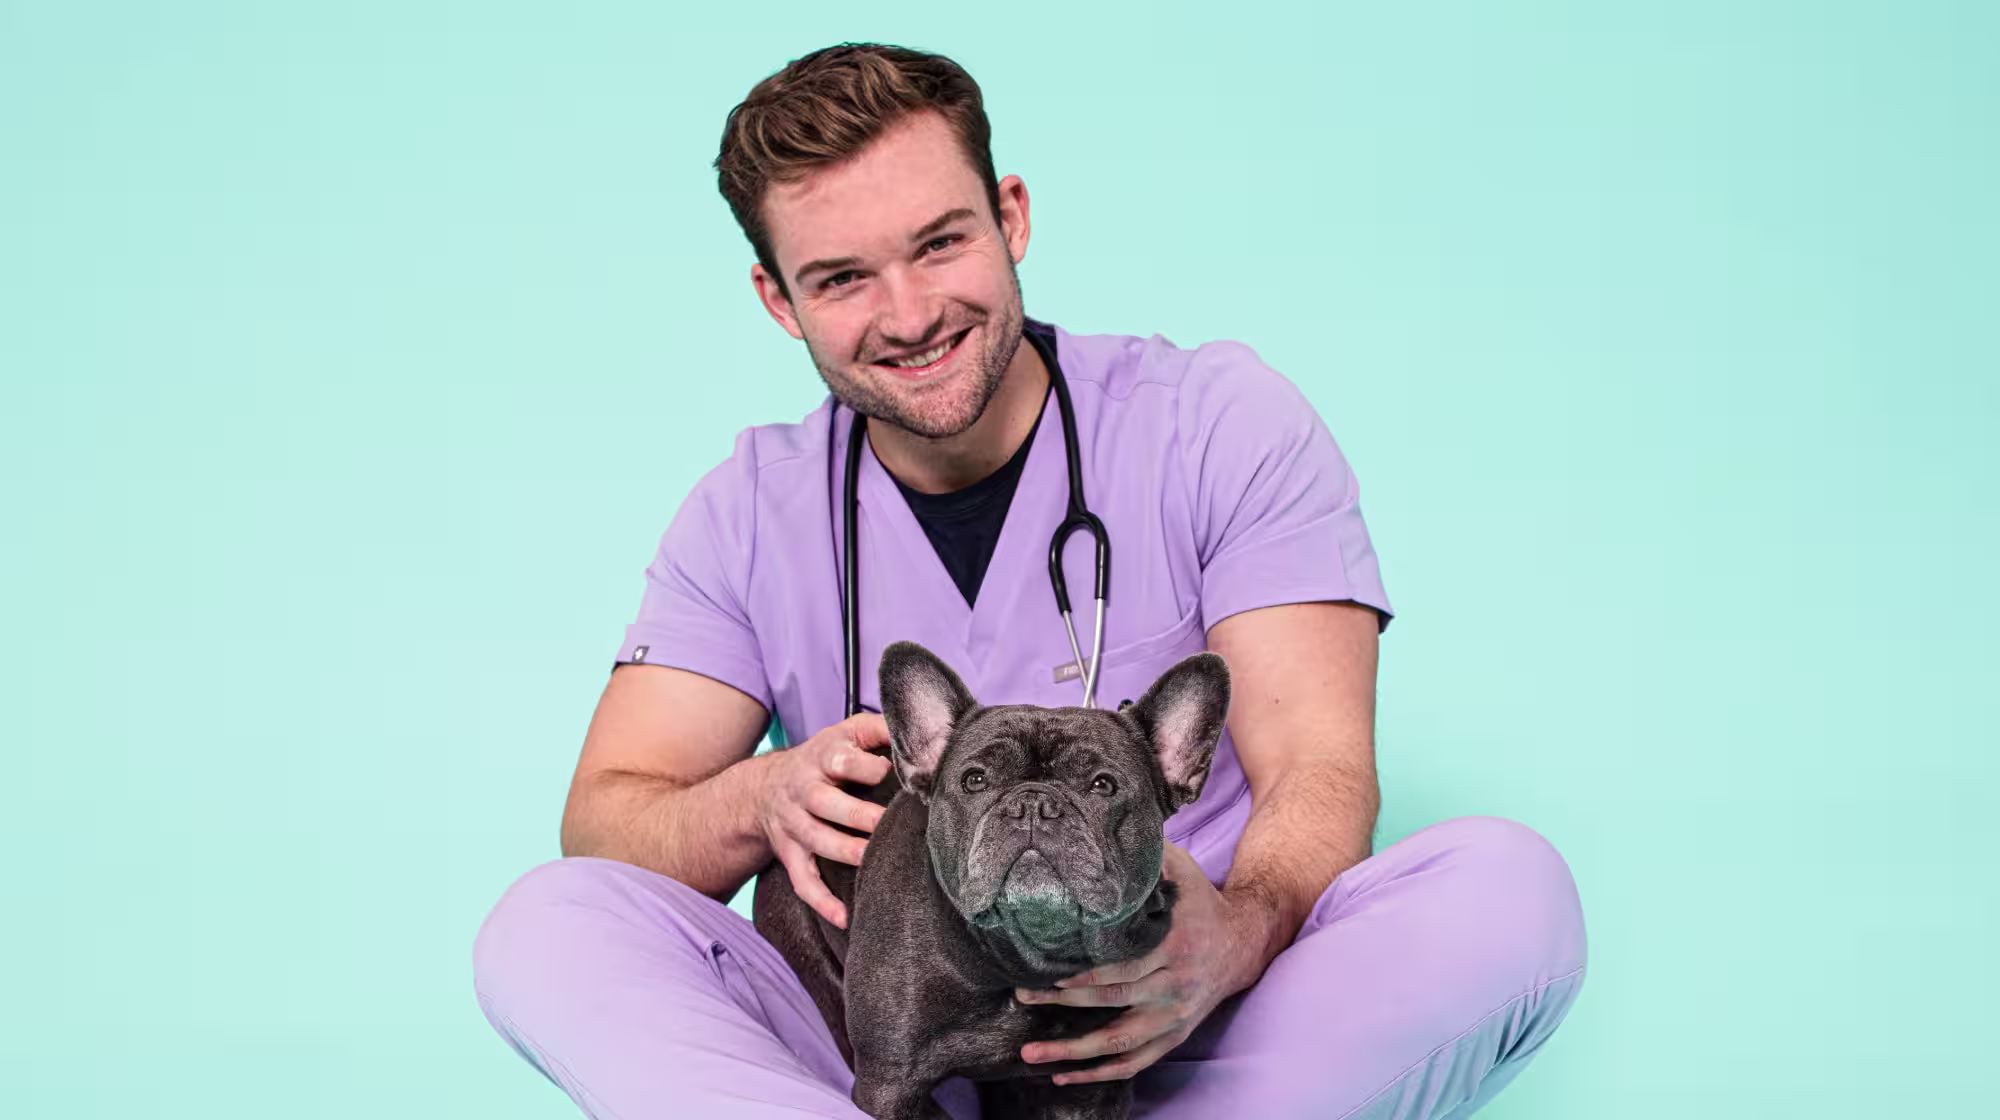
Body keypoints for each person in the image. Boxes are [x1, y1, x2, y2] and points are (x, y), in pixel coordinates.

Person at [471, 42, 1587, 1120]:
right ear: (777, 298)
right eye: (843, 277)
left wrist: (1236, 933)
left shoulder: (1216, 424)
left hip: (1193, 1030)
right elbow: (607, 815)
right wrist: (757, 798)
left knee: (1506, 893)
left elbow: (1319, 770)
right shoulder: (745, 511)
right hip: (876, 1055)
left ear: (1009, 216)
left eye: (939, 243)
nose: (908, 314)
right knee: (549, 925)